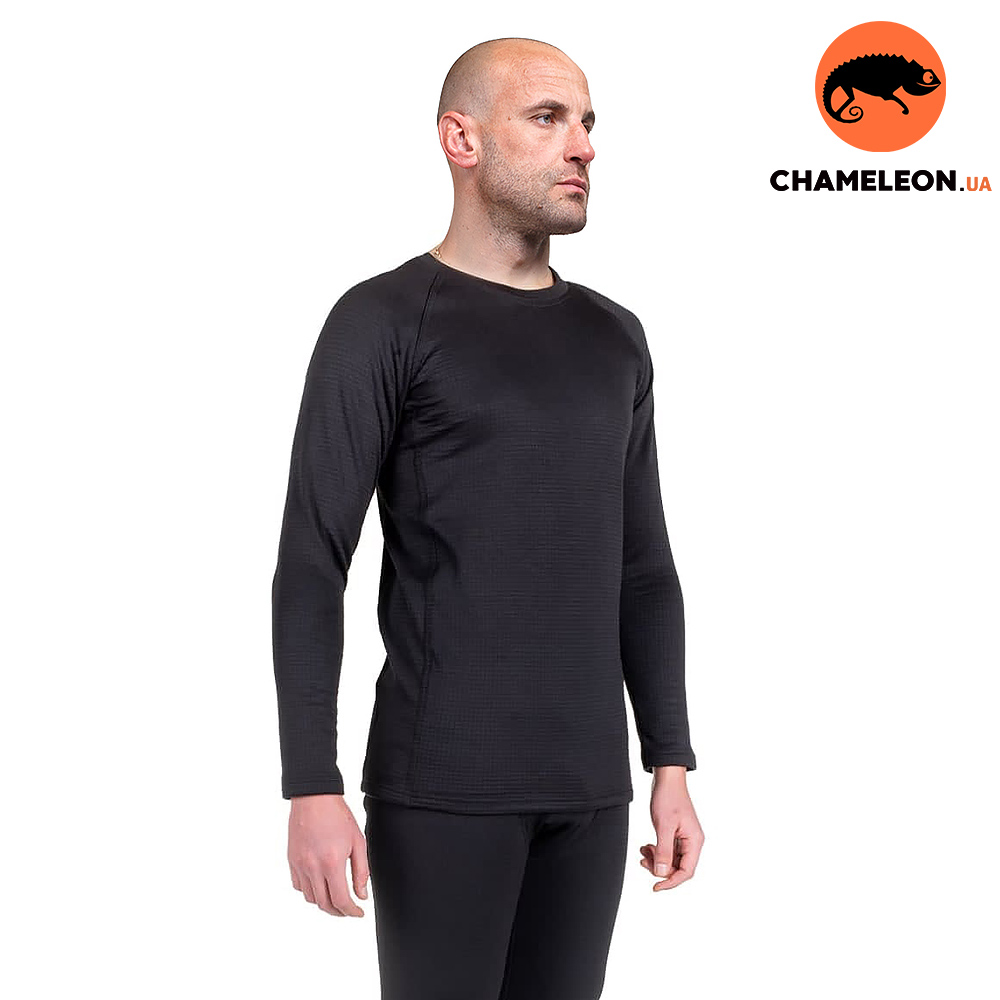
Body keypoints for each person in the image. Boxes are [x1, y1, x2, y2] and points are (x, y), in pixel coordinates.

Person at [271, 35, 705, 1000]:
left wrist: (669, 761)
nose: (583, 145)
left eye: (587, 121)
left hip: (591, 794)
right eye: (548, 118)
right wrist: (311, 782)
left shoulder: (615, 337)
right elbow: (312, 558)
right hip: (441, 789)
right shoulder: (383, 321)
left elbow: (644, 567)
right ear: (460, 140)